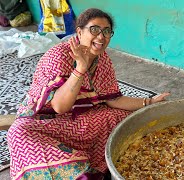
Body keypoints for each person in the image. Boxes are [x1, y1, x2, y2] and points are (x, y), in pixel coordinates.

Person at [7, 8, 170, 180]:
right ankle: (78, 172)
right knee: (18, 134)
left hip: (80, 118)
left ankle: (99, 164)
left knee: (124, 118)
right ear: (79, 31)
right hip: (45, 122)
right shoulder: (58, 56)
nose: (101, 37)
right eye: (94, 30)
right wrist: (80, 69)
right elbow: (59, 107)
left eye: (107, 32)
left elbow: (113, 99)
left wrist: (150, 102)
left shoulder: (103, 59)